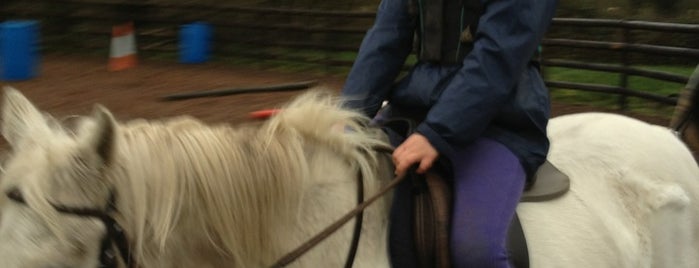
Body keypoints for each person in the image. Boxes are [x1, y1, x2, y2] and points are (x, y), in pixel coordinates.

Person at [341, 0, 558, 267]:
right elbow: (385, 39)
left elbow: (499, 56)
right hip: (417, 108)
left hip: (501, 119)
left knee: (477, 252)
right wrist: (348, 117)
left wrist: (437, 133)